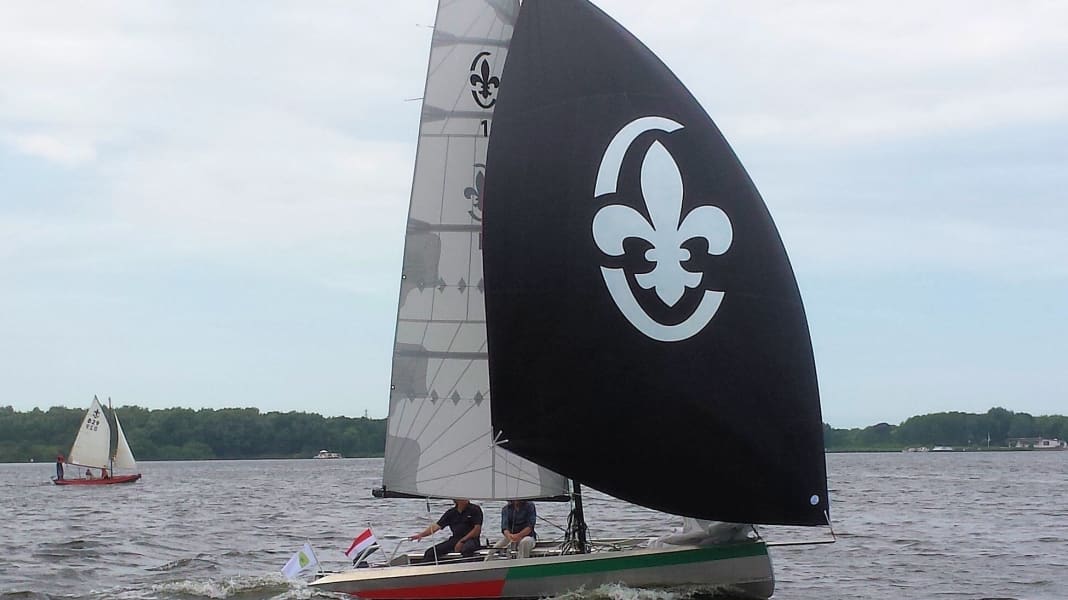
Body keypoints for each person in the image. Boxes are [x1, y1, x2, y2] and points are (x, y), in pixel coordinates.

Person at [409, 499, 483, 562]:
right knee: (430, 552)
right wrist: (421, 535)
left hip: (471, 539)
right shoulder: (451, 513)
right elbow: (436, 526)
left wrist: (462, 541)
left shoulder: (475, 509)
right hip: (455, 539)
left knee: (467, 549)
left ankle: (466, 571)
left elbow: (477, 530)